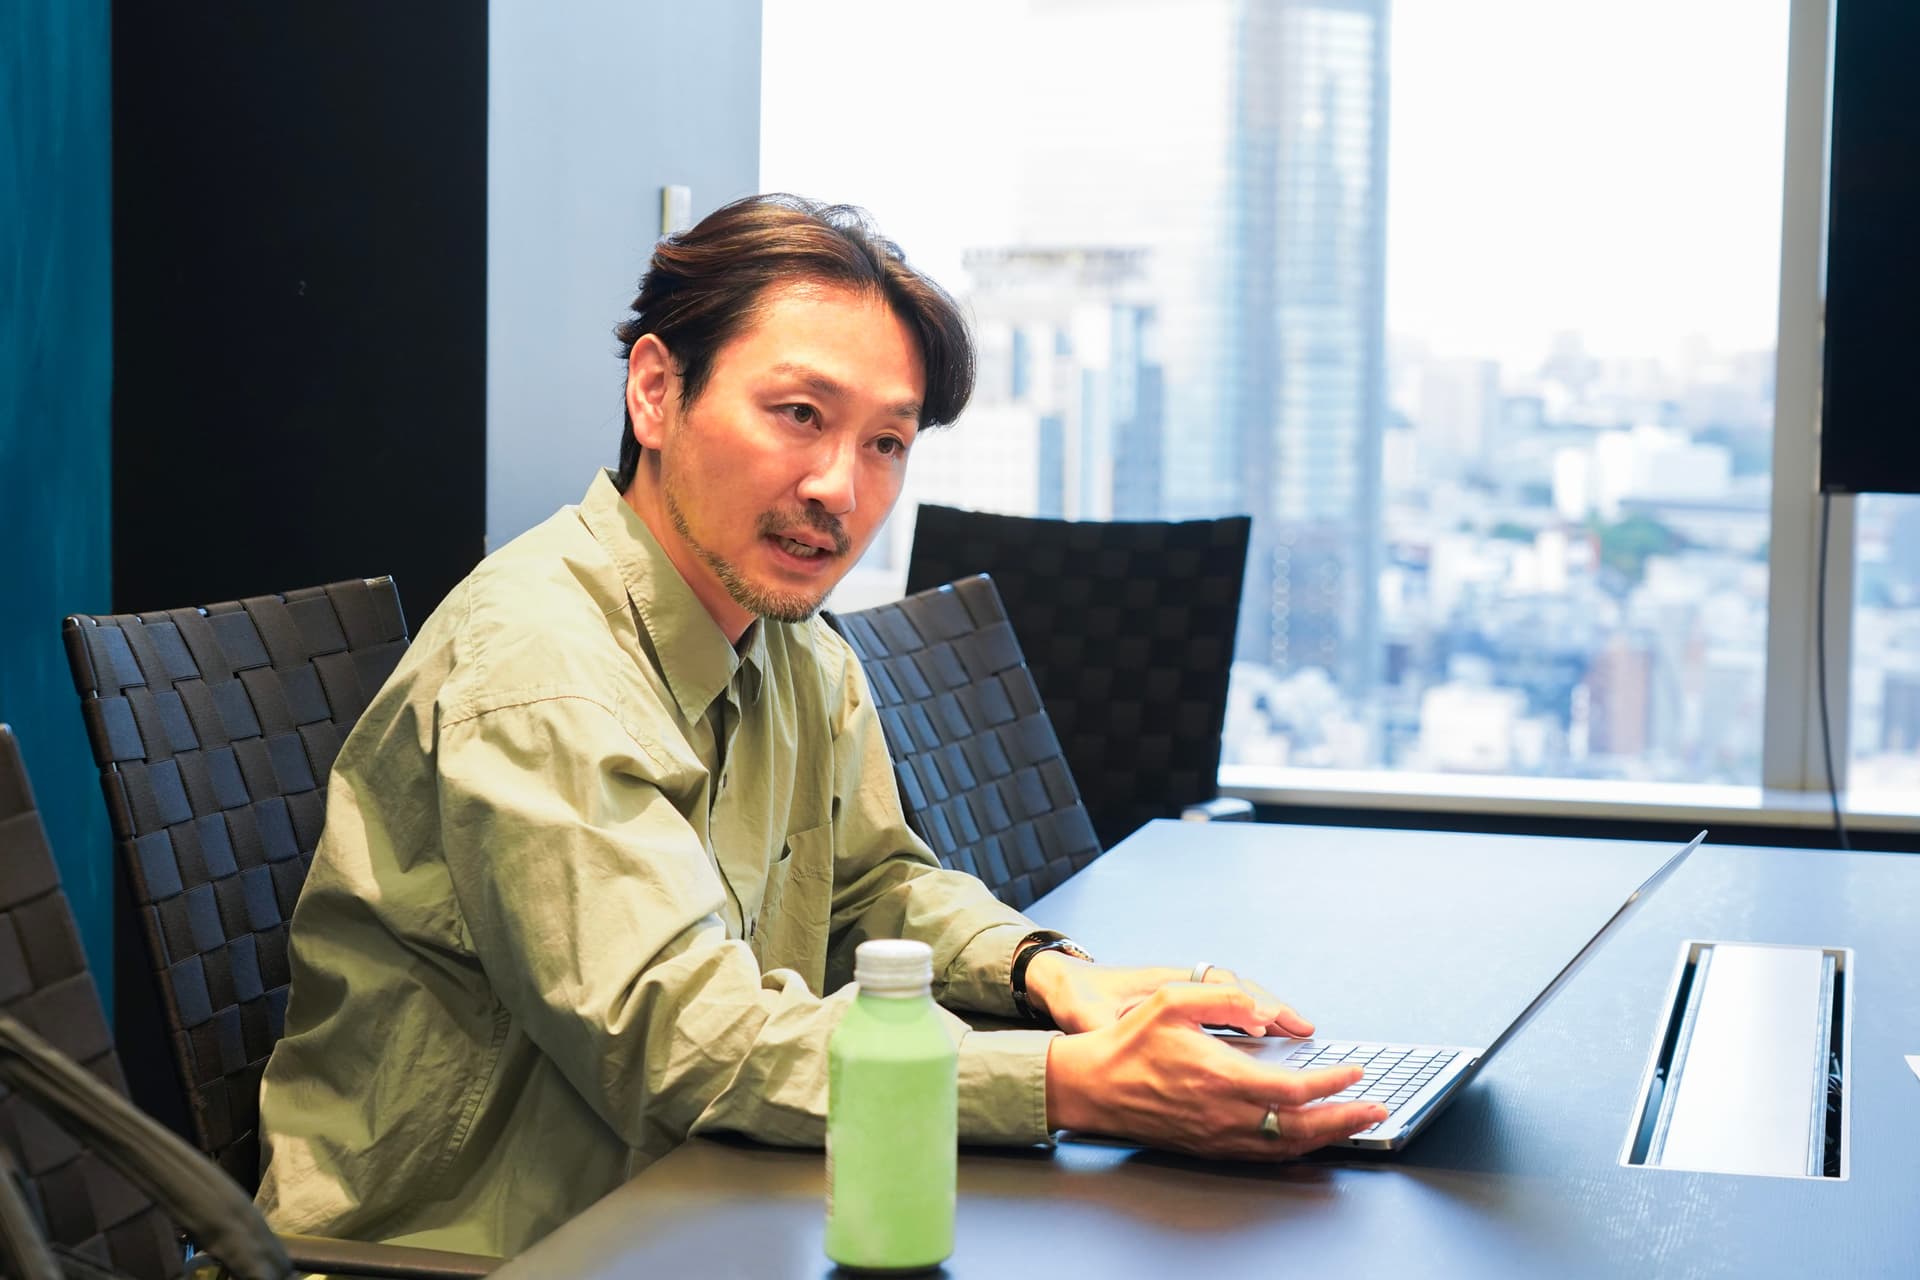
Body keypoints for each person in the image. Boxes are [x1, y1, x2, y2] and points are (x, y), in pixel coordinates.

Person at [254, 194, 1385, 1255]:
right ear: (656, 392)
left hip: (696, 1210)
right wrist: (1072, 1082)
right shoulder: (545, 666)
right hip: (480, 1252)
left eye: (886, 442)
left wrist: (1050, 975)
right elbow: (684, 1038)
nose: (839, 487)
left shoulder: (789, 643)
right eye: (799, 415)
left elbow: (872, 889)